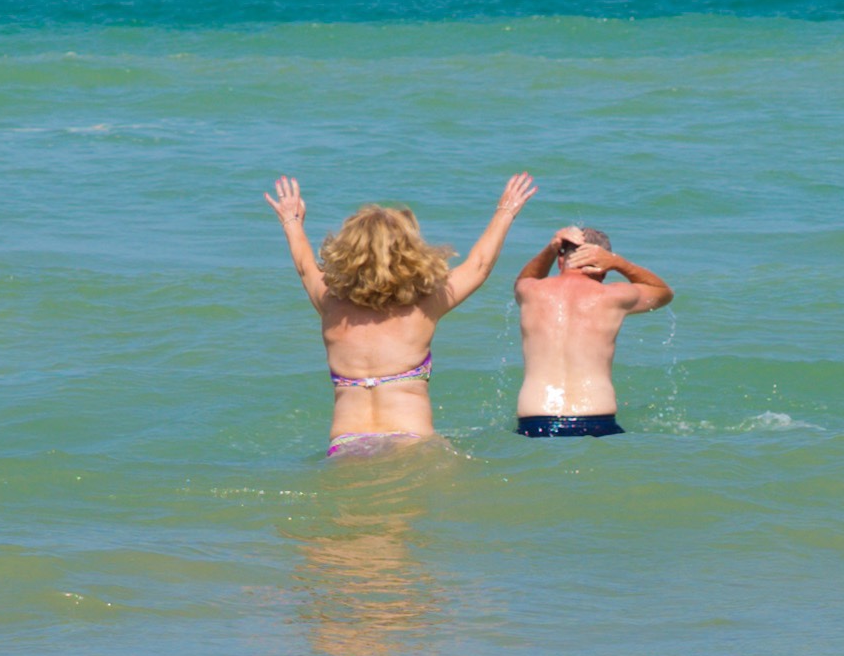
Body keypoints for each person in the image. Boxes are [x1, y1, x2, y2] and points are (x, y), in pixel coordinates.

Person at [268, 172, 532, 456]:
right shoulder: (423, 308)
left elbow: (305, 266)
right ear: (406, 252)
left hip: (347, 446)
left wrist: (291, 221)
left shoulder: (331, 306)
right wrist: (505, 211)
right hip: (411, 440)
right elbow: (479, 265)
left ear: (349, 252)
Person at [509, 225, 673, 437]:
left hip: (535, 420)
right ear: (603, 267)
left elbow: (524, 280)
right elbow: (663, 293)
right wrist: (619, 263)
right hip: (597, 419)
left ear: (560, 260)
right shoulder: (615, 296)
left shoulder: (530, 291)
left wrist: (550, 249)